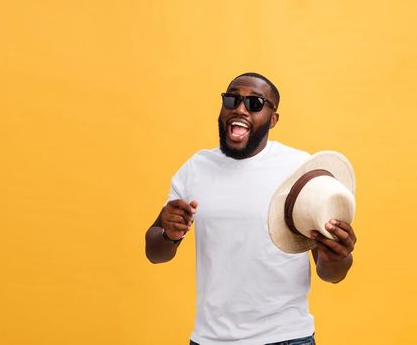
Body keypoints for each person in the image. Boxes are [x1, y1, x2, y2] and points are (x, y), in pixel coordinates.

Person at [145, 73, 358, 345]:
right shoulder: (196, 168)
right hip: (211, 339)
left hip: (286, 337)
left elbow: (331, 274)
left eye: (255, 103)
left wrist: (337, 257)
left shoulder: (299, 170)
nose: (240, 109)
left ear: (273, 119)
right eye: (232, 99)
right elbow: (155, 253)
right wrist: (169, 235)